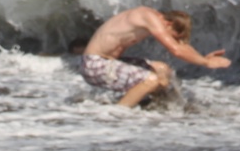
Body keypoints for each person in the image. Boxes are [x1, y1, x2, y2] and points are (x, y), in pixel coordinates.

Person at [79, 6, 231, 107]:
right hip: (94, 65)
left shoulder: (155, 19)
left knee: (163, 70)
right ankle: (117, 114)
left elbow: (181, 46)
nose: (169, 38)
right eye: (172, 35)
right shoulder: (148, 17)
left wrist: (204, 57)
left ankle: (156, 110)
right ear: (168, 24)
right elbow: (176, 50)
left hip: (108, 63)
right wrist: (206, 63)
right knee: (150, 80)